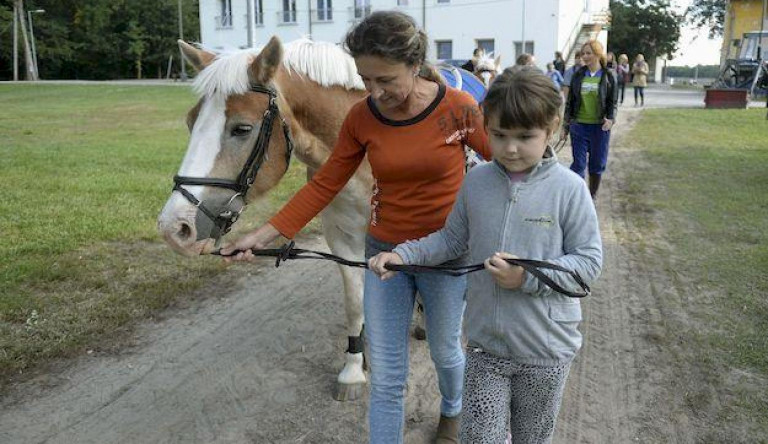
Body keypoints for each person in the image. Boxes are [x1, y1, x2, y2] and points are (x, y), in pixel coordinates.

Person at [220, 11, 491, 444]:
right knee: (386, 374)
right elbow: (325, 183)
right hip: (384, 256)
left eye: (385, 80)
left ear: (414, 64)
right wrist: (263, 234)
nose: (374, 91)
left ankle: (453, 412)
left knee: (445, 352)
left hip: (445, 254)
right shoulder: (363, 117)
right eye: (365, 79)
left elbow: (507, 161)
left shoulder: (457, 109)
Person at [369, 66, 603, 444]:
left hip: (545, 352)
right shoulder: (476, 181)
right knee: (479, 438)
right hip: (485, 351)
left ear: (552, 128)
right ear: (486, 127)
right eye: (499, 135)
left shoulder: (570, 189)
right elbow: (451, 239)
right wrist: (404, 254)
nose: (510, 148)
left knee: (531, 438)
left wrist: (525, 277)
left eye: (525, 137)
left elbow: (588, 264)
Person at [563, 40, 618, 199]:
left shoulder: (609, 76)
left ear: (598, 54)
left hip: (599, 128)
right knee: (578, 164)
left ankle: (592, 196)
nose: (585, 57)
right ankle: (578, 198)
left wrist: (611, 119)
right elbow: (570, 102)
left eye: (589, 53)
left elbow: (612, 102)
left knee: (596, 165)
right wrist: (565, 126)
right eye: (583, 54)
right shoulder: (578, 75)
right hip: (579, 126)